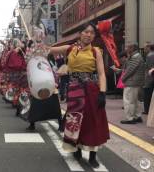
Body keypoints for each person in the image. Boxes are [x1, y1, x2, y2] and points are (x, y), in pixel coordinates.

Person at [39, 22, 109, 168]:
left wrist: (102, 92)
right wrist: (38, 42)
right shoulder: (69, 48)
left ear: (94, 36)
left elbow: (102, 74)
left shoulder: (96, 52)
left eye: (91, 33)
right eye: (85, 32)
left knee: (92, 122)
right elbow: (47, 50)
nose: (88, 35)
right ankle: (75, 148)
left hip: (92, 90)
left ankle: (92, 155)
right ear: (80, 34)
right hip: (74, 89)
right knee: (74, 120)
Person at [121, 44, 145, 124]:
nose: (126, 48)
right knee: (136, 101)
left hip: (131, 82)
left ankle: (130, 118)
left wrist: (123, 78)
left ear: (132, 48)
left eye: (127, 47)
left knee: (128, 100)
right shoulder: (136, 56)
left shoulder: (135, 57)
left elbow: (130, 70)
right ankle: (137, 116)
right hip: (136, 82)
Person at [143, 43, 154, 115]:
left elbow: (149, 67)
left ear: (149, 48)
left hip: (150, 78)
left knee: (147, 95)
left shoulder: (150, 56)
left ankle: (147, 110)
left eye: (144, 48)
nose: (144, 50)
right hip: (151, 77)